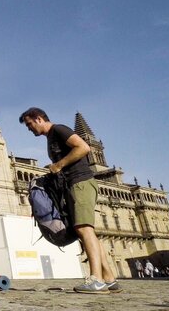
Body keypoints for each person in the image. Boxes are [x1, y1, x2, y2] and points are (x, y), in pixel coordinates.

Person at [19, 107, 119, 294]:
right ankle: (109, 279)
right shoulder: (50, 138)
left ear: (39, 119)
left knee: (84, 229)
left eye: (29, 124)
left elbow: (83, 147)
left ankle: (96, 280)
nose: (29, 129)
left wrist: (59, 164)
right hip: (73, 185)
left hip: (80, 182)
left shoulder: (59, 130)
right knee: (86, 232)